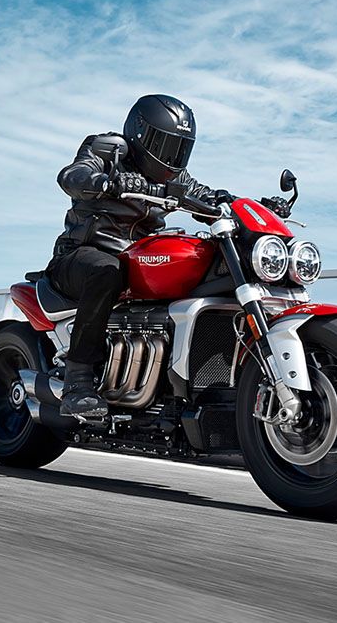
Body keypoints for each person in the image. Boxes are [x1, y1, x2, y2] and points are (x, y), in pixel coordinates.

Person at [46, 93, 290, 419]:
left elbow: (205, 196)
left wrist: (246, 207)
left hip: (135, 259)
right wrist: (105, 181)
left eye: (179, 149)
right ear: (139, 134)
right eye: (163, 146)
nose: (171, 158)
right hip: (81, 255)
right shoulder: (106, 150)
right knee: (106, 271)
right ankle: (78, 381)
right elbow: (72, 175)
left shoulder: (175, 178)